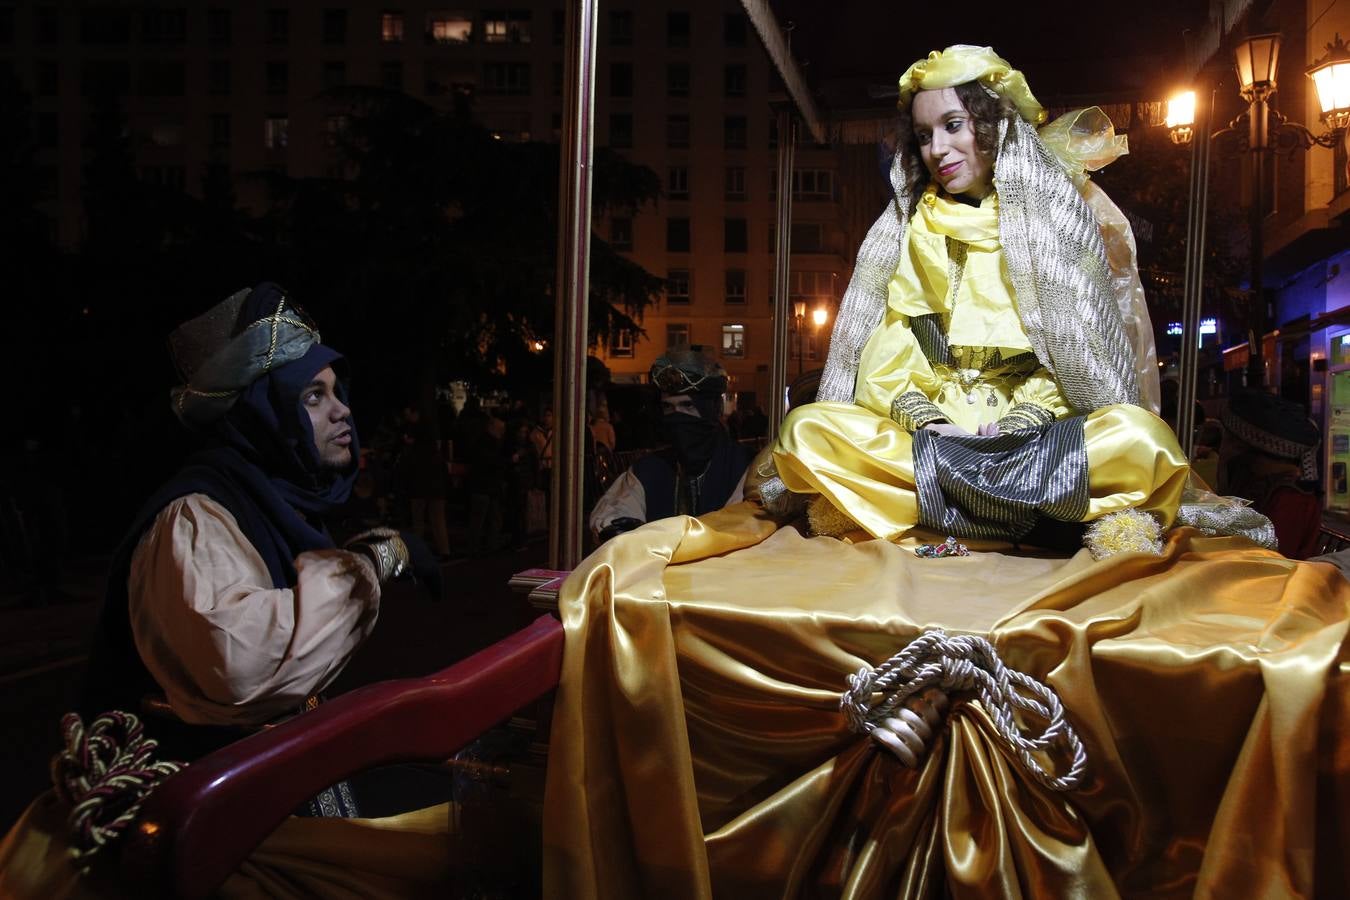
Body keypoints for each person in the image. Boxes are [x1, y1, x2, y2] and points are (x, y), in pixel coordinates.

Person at [757, 45, 1202, 547]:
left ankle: (946, 508)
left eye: (953, 125)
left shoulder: (1053, 218)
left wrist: (1020, 422)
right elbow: (888, 355)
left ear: (996, 127)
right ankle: (1045, 519)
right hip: (930, 443)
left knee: (1141, 439)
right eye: (924, 136)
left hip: (1034, 445)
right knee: (809, 429)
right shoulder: (904, 229)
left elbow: (1076, 358)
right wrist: (934, 424)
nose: (937, 150)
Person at [81, 283, 435, 764]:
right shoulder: (195, 517)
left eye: (336, 391)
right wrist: (375, 562)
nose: (343, 408)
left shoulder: (273, 501)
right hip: (205, 810)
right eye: (313, 396)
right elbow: (240, 664)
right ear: (264, 415)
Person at [589, 348, 753, 543]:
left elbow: (751, 519)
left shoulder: (748, 467)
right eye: (669, 407)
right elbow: (612, 513)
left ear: (711, 410)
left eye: (687, 406)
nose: (678, 417)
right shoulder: (647, 471)